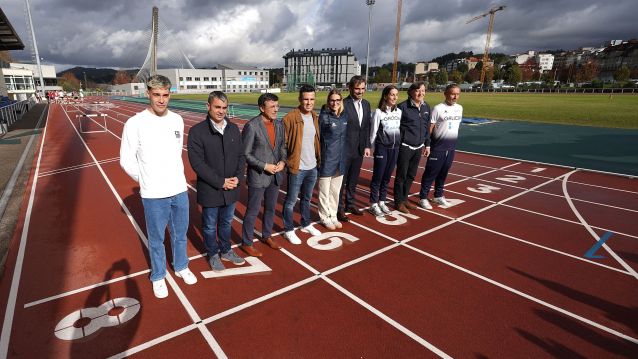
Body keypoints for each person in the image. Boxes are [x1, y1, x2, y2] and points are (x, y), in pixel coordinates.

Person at [120, 74, 197, 299]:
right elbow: (126, 159)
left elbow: (174, 155)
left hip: (179, 190)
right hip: (154, 194)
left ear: (170, 94)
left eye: (165, 95)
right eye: (156, 95)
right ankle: (158, 275)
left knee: (180, 234)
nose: (161, 100)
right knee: (156, 239)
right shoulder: (135, 123)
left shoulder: (177, 120)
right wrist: (144, 179)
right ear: (148, 94)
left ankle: (181, 266)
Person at [187, 91, 246, 271]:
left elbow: (241, 156)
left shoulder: (234, 128)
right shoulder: (197, 132)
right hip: (211, 189)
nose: (221, 111)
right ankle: (213, 253)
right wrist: (221, 182)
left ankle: (226, 250)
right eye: (217, 107)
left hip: (232, 188)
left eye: (224, 108)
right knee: (210, 225)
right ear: (208, 107)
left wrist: (238, 177)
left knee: (226, 222)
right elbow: (197, 163)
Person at [240, 93, 287, 257]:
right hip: (258, 176)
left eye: (277, 106)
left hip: (275, 176)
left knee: (270, 209)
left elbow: (282, 147)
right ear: (261, 108)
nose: (276, 109)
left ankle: (267, 235)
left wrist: (283, 162)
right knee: (252, 211)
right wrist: (264, 166)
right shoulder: (252, 126)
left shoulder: (279, 125)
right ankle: (246, 242)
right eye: (272, 107)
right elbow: (245, 154)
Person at [282, 85, 321, 244]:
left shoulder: (314, 116)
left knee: (307, 199)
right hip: (297, 168)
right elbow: (283, 144)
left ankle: (305, 224)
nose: (309, 102)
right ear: (300, 99)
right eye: (306, 99)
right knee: (291, 201)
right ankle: (288, 229)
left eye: (311, 99)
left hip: (312, 167)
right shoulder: (289, 118)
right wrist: (287, 162)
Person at [418, 84, 462, 209]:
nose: (455, 96)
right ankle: (423, 197)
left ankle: (438, 195)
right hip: (438, 147)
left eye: (457, 94)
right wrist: (428, 145)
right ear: (446, 94)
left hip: (451, 147)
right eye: (452, 93)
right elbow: (430, 128)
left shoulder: (460, 108)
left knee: (443, 173)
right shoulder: (438, 108)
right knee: (430, 173)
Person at [337, 75, 372, 222]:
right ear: (351, 88)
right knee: (341, 181)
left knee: (353, 179)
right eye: (357, 88)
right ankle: (339, 209)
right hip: (345, 150)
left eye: (363, 88)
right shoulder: (343, 104)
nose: (360, 91)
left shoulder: (366, 104)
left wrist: (367, 146)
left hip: (359, 149)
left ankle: (350, 204)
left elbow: (366, 127)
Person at [394, 82, 431, 214]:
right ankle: (398, 202)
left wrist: (427, 144)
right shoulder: (402, 107)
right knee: (401, 175)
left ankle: (404, 199)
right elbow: (395, 128)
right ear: (411, 92)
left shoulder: (426, 107)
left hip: (419, 147)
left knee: (411, 175)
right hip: (405, 146)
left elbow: (426, 128)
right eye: (417, 91)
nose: (421, 93)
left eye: (423, 90)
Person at [367, 85, 402, 216]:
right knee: (378, 177)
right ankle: (373, 203)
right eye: (392, 94)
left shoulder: (399, 112)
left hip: (395, 148)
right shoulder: (378, 112)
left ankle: (382, 201)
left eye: (396, 95)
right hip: (382, 148)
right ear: (386, 96)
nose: (394, 97)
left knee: (387, 177)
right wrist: (372, 148)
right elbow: (373, 132)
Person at [317, 89, 348, 229]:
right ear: (328, 102)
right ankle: (324, 217)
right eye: (332, 100)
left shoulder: (344, 117)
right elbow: (317, 139)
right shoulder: (323, 117)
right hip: (327, 160)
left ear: (341, 101)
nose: (335, 103)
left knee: (335, 192)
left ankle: (333, 215)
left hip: (340, 160)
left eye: (337, 100)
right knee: (324, 192)